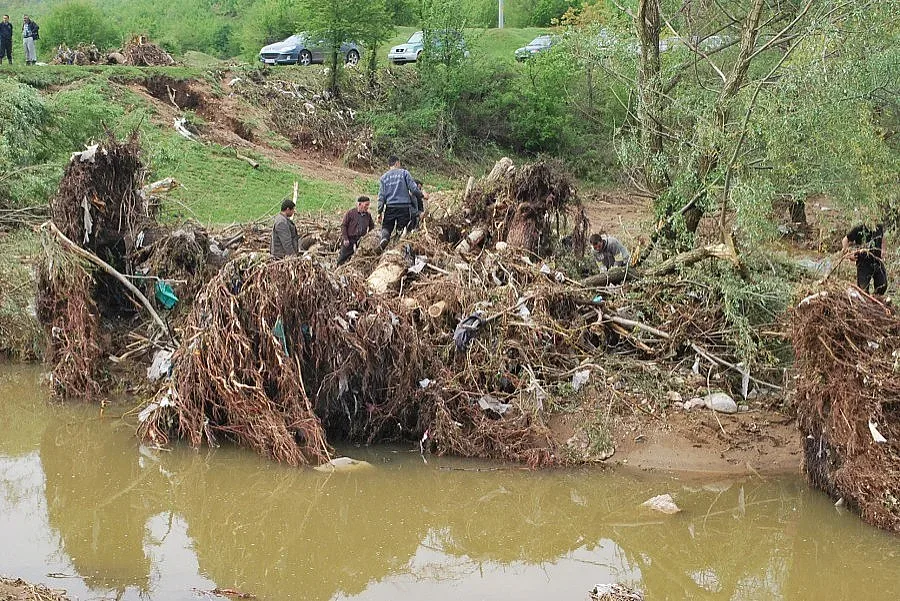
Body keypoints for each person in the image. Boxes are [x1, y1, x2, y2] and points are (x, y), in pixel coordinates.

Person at [377, 155, 423, 249]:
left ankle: (385, 237)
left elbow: (381, 197)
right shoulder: (404, 173)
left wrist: (379, 212)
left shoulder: (383, 178)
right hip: (404, 207)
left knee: (387, 226)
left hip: (390, 207)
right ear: (397, 163)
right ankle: (399, 246)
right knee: (403, 229)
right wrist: (422, 195)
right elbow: (414, 189)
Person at [843, 222, 887, 295]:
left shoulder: (879, 226)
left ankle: (875, 301)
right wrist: (848, 255)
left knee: (882, 285)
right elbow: (845, 240)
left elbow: (883, 238)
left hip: (877, 261)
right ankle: (865, 304)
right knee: (863, 290)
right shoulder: (859, 228)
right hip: (863, 263)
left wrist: (883, 250)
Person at [337, 195, 375, 265]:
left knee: (358, 260)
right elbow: (343, 225)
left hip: (361, 240)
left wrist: (368, 236)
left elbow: (372, 226)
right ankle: (338, 270)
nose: (367, 207)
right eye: (366, 205)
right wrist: (345, 238)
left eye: (368, 205)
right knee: (343, 257)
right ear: (359, 204)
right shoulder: (351, 213)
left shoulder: (368, 215)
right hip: (349, 240)